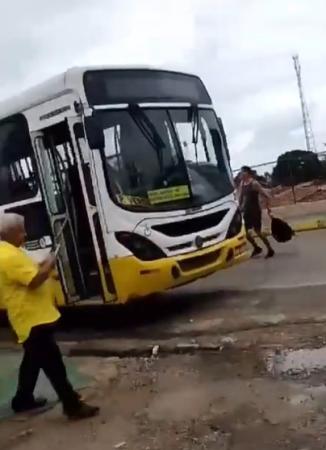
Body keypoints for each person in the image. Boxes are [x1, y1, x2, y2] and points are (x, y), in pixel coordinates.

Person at [0, 213, 99, 420]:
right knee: (54, 364)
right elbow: (34, 280)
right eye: (21, 231)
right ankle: (72, 405)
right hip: (32, 318)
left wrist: (43, 264)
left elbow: (29, 272)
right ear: (8, 233)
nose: (25, 235)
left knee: (33, 360)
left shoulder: (10, 251)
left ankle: (22, 399)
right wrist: (50, 263)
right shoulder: (7, 256)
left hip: (32, 316)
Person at [239, 166, 275, 259]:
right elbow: (241, 198)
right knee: (245, 233)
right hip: (247, 212)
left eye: (243, 172)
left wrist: (268, 207)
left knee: (258, 231)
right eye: (241, 172)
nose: (241, 174)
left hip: (255, 211)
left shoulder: (254, 183)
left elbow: (265, 194)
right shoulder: (242, 184)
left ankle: (270, 249)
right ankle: (256, 247)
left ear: (247, 173)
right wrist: (240, 208)